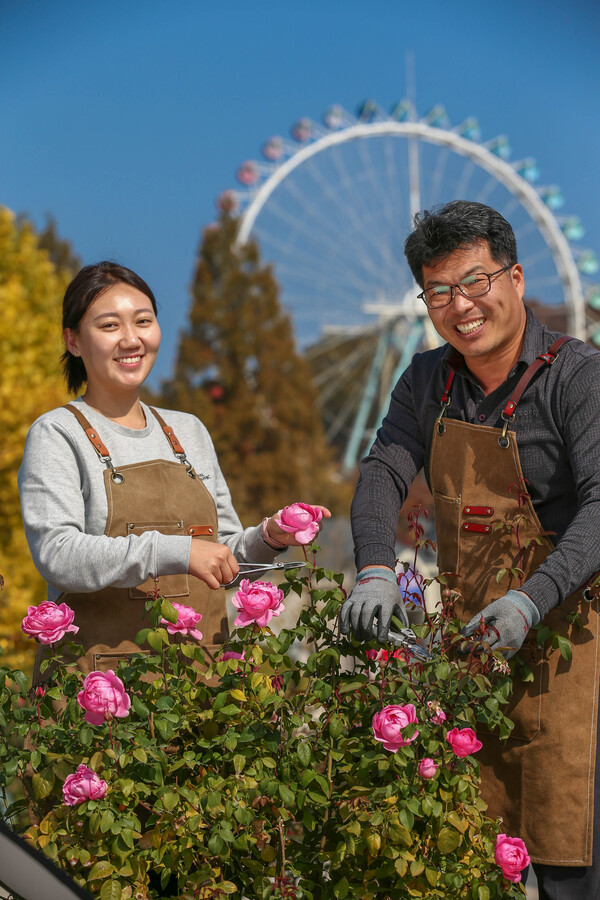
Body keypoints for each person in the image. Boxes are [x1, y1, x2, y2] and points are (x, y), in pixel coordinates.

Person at [340, 200, 600, 898]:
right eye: (439, 291)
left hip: (577, 655)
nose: (460, 305)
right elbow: (382, 472)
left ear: (515, 278)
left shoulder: (579, 376)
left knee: (570, 865)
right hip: (475, 659)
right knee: (472, 860)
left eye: (476, 281)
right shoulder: (427, 381)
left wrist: (529, 599)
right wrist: (372, 569)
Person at [18, 261, 330, 678]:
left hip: (202, 688)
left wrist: (269, 538)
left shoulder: (188, 431)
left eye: (143, 321)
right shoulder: (57, 433)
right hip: (98, 696)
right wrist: (176, 551)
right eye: (110, 326)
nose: (131, 339)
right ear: (73, 341)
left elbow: (225, 562)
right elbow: (58, 554)